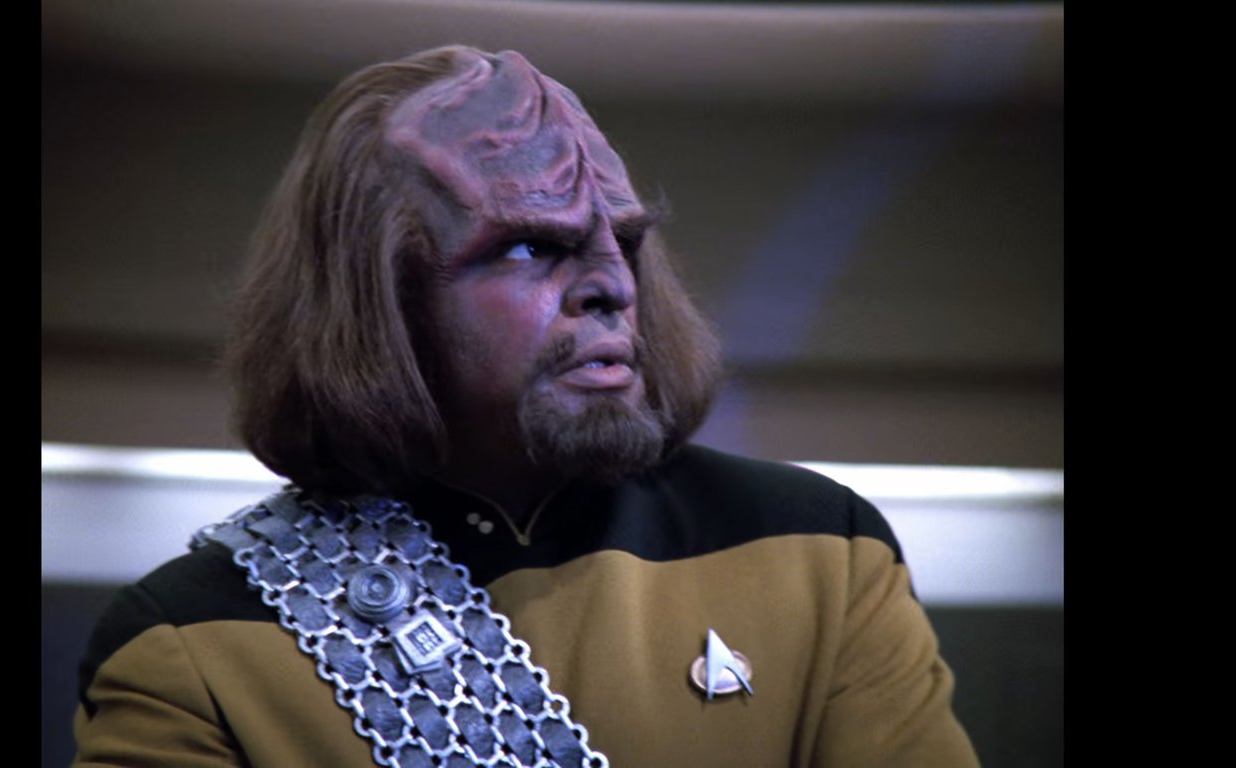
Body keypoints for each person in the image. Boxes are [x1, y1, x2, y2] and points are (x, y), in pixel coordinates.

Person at [72, 45, 978, 767]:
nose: (615, 285)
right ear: (382, 294)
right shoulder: (189, 640)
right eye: (529, 247)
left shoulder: (822, 550)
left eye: (626, 240)